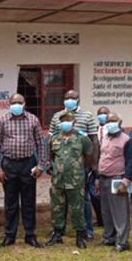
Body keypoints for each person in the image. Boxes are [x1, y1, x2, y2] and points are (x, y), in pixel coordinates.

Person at [0, 94, 46, 248]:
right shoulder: (2, 121)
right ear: (9, 104)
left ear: (24, 104)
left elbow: (40, 144)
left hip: (28, 164)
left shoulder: (33, 119)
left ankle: (30, 235)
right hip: (9, 165)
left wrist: (41, 165)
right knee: (10, 203)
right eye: (13, 102)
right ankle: (10, 235)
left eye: (19, 102)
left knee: (29, 202)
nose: (16, 105)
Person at [48, 90, 99, 240]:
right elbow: (50, 141)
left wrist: (90, 165)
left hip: (78, 169)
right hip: (59, 171)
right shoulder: (57, 116)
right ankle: (58, 231)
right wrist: (51, 164)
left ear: (78, 99)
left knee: (82, 201)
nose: (69, 100)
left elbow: (93, 142)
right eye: (66, 98)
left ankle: (85, 231)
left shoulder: (87, 116)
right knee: (58, 203)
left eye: (72, 98)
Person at [46, 111, 93, 249]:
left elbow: (89, 156)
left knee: (77, 208)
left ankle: (80, 236)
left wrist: (80, 170)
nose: (66, 122)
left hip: (75, 179)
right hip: (58, 180)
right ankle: (57, 234)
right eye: (63, 120)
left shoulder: (82, 138)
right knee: (57, 208)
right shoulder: (54, 138)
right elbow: (51, 157)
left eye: (69, 119)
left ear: (73, 121)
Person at [96, 112, 132, 252]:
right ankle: (109, 237)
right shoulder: (104, 137)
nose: (110, 123)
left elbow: (131, 161)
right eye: (108, 121)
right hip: (103, 177)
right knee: (106, 210)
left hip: (118, 178)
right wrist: (97, 177)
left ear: (119, 122)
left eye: (113, 120)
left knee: (120, 211)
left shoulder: (126, 139)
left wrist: (126, 180)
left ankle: (122, 241)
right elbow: (101, 157)